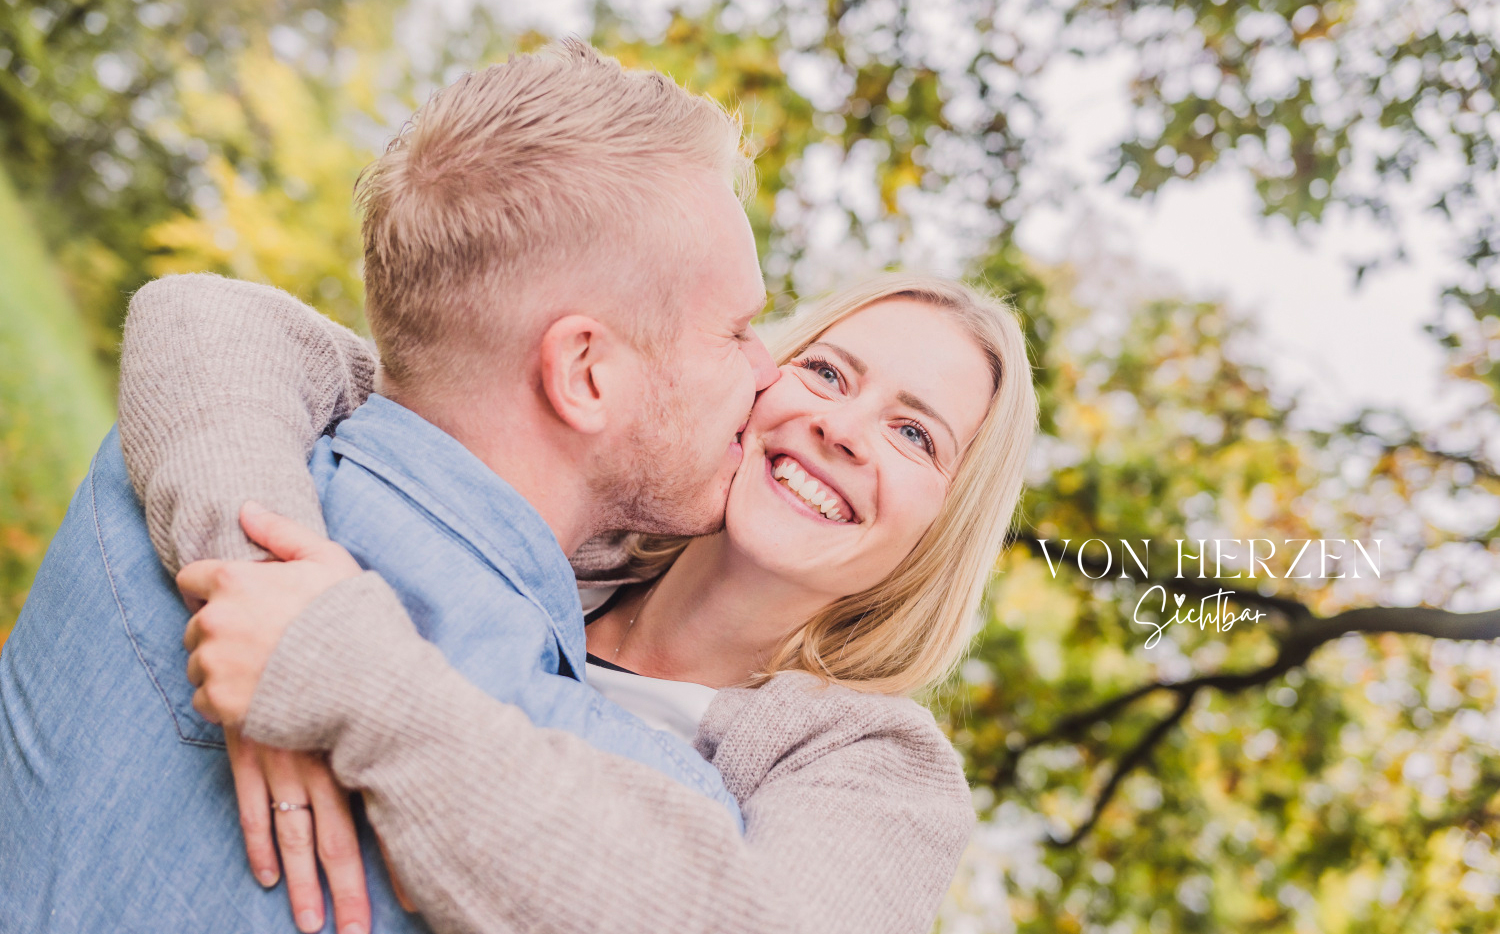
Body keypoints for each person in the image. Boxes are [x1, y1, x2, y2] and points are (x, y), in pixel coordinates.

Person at [0, 40, 780, 934]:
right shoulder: (639, 806)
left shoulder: (148, 481)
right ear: (586, 374)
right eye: (737, 330)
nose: (768, 371)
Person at [121, 270, 1037, 934]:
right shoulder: (567, 511)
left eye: (914, 434)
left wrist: (355, 688)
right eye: (828, 372)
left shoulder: (877, 772)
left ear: (943, 529)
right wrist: (258, 583)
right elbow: (207, 320)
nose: (840, 427)